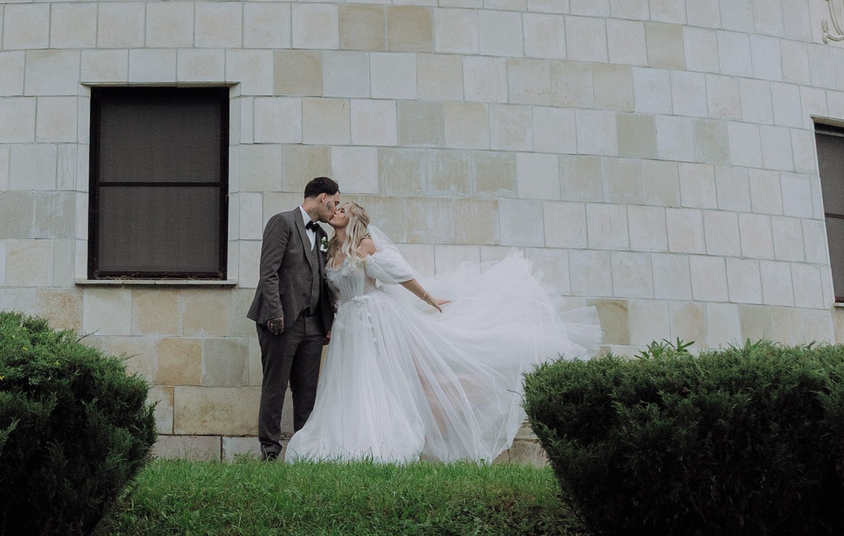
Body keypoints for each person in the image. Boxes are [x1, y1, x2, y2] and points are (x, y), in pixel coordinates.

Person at [284, 199, 599, 464]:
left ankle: (375, 436)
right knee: (346, 380)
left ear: (352, 219)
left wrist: (428, 297)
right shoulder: (329, 247)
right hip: (345, 326)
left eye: (343, 208)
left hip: (370, 320)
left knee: (370, 378)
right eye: (337, 207)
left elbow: (399, 275)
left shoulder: (365, 244)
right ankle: (340, 434)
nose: (336, 210)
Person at [247, 177, 341, 460]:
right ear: (323, 197)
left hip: (313, 324)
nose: (335, 209)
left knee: (307, 390)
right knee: (275, 385)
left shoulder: (323, 236)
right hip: (281, 320)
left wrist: (327, 323)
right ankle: (270, 449)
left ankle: (304, 450)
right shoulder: (283, 222)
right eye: (334, 203)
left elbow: (323, 282)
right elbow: (269, 271)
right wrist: (275, 312)